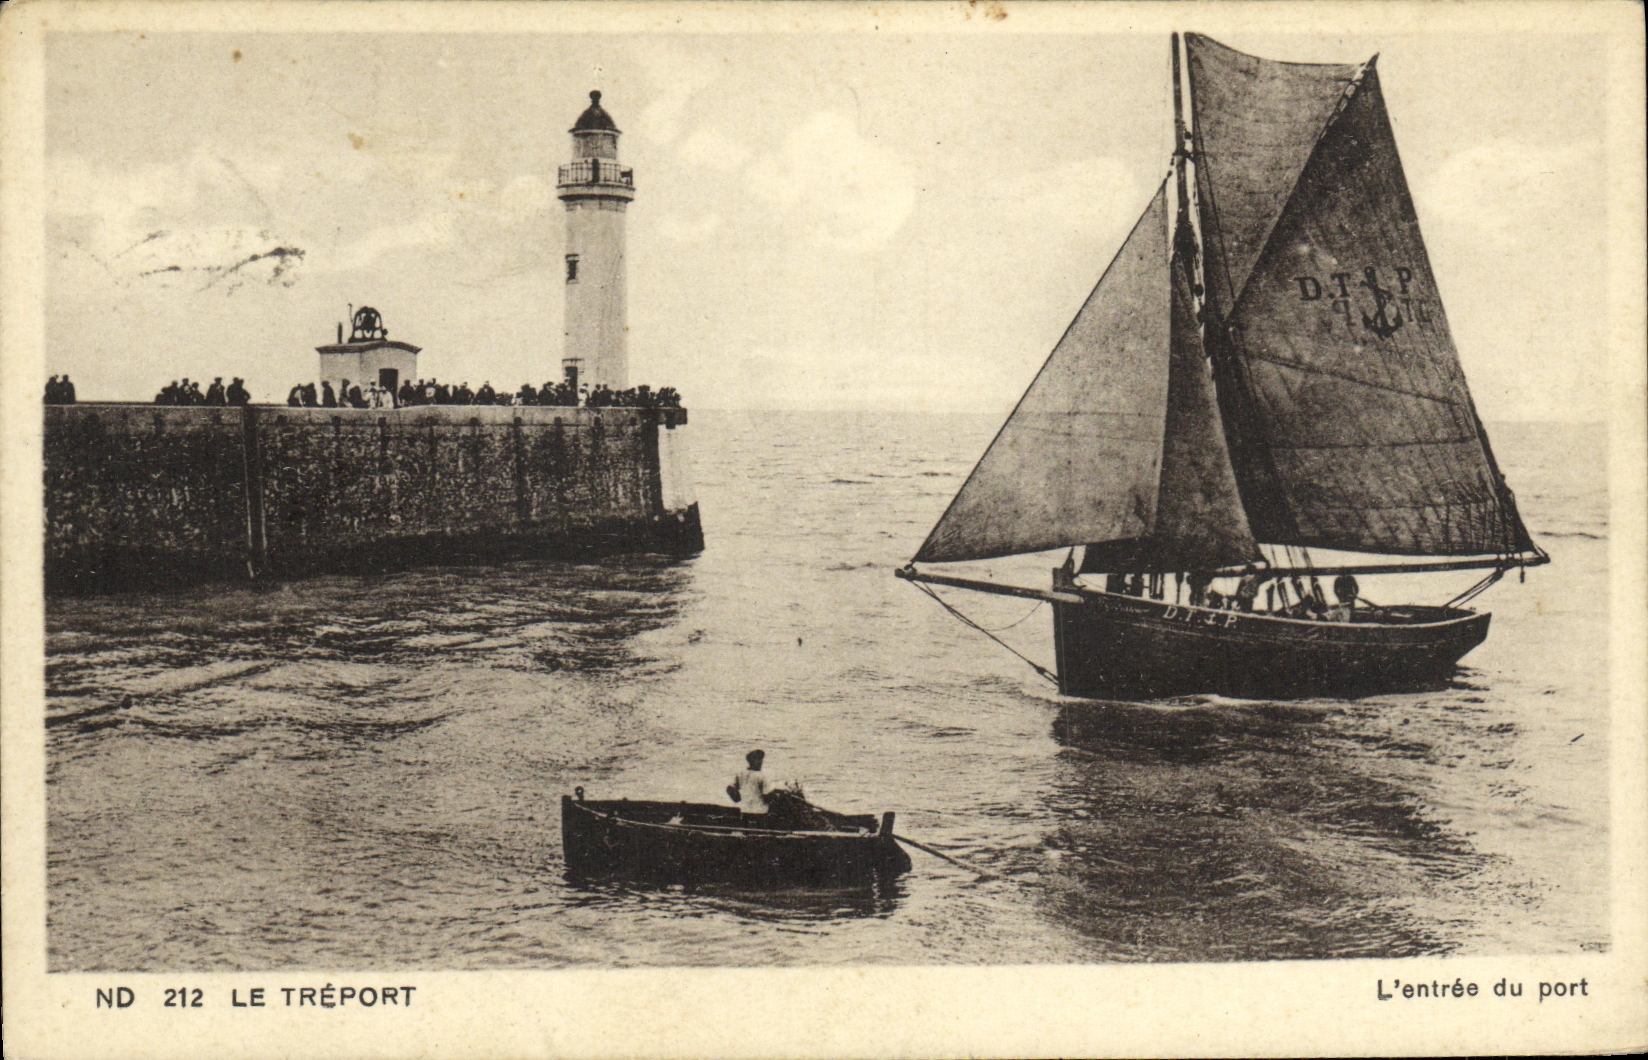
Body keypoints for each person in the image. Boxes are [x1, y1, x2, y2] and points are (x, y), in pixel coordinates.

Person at [726, 749, 774, 827]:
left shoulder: (741, 774)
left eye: (760, 760)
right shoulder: (762, 776)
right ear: (751, 761)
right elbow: (767, 795)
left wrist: (737, 798)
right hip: (760, 812)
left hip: (745, 810)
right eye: (758, 760)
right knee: (761, 831)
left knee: (746, 831)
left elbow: (729, 788)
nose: (760, 762)